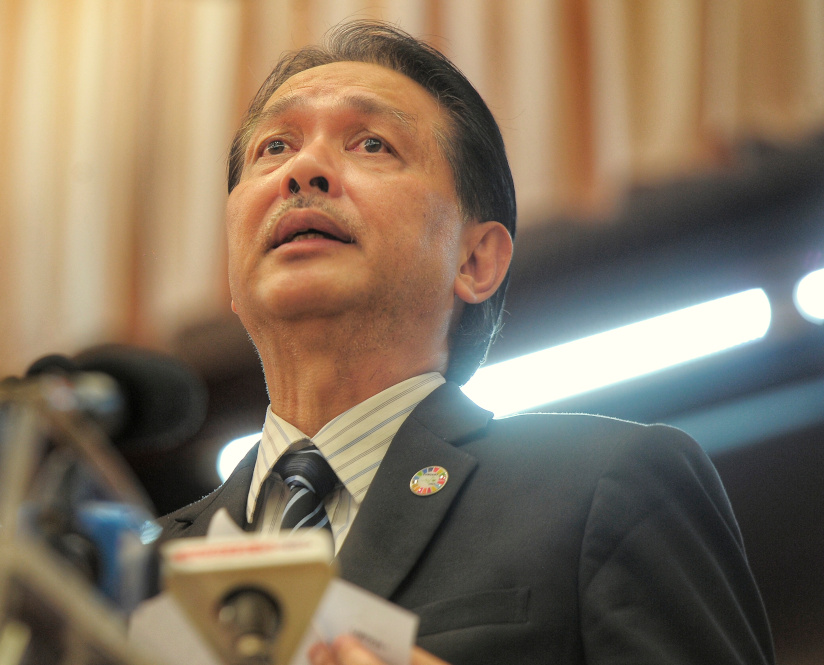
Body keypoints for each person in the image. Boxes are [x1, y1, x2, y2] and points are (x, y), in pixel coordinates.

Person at [156, 20, 775, 665]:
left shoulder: (606, 487)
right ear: (232, 274)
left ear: (476, 261)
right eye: (274, 147)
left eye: (371, 144)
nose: (303, 170)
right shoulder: (141, 571)